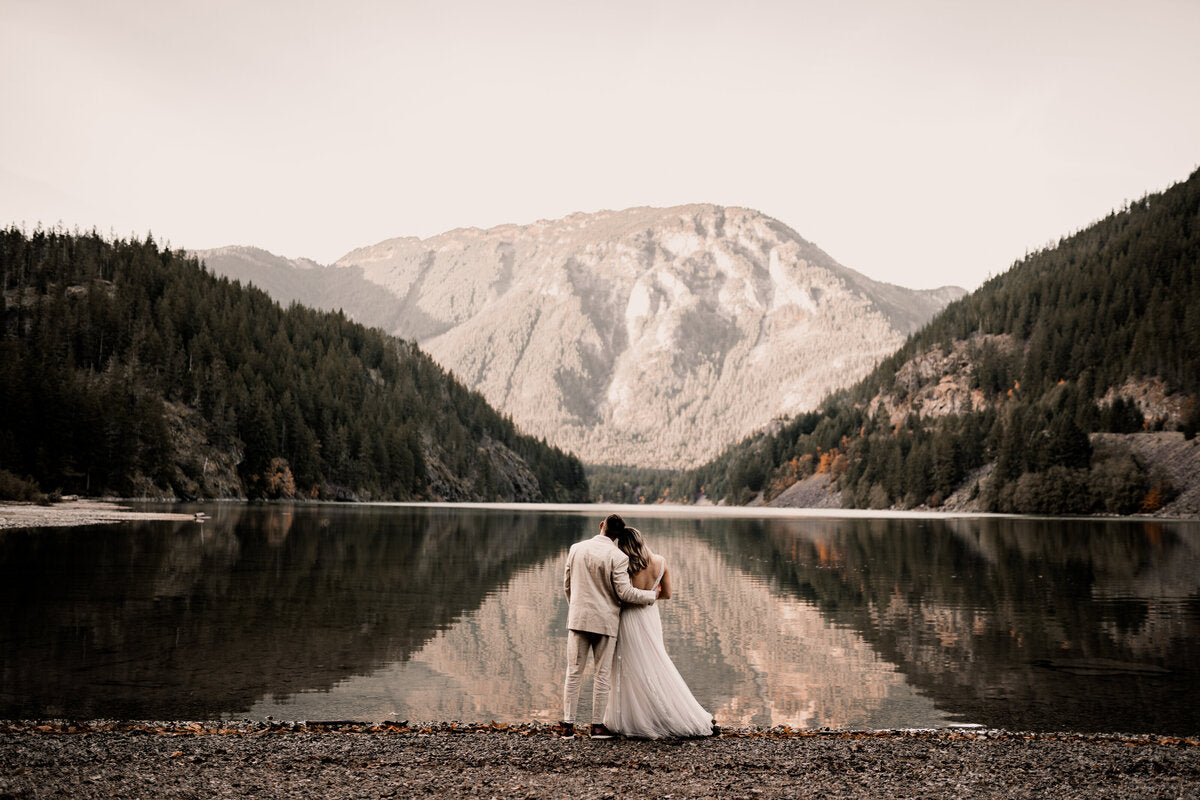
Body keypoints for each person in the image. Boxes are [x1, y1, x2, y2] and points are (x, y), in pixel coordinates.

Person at [602, 525, 715, 738]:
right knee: (655, 662)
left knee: (629, 668)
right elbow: (667, 594)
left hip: (627, 619)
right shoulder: (660, 562)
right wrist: (652, 594)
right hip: (650, 616)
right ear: (642, 541)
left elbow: (620, 595)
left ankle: (634, 718)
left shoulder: (623, 565)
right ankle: (670, 713)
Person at [560, 513, 659, 739]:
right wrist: (651, 595)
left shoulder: (576, 548)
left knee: (573, 672)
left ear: (601, 526)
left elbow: (567, 585)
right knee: (601, 674)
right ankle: (597, 727)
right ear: (617, 535)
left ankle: (567, 725)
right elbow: (625, 593)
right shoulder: (618, 556)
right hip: (605, 622)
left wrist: (576, 609)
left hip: (578, 619)